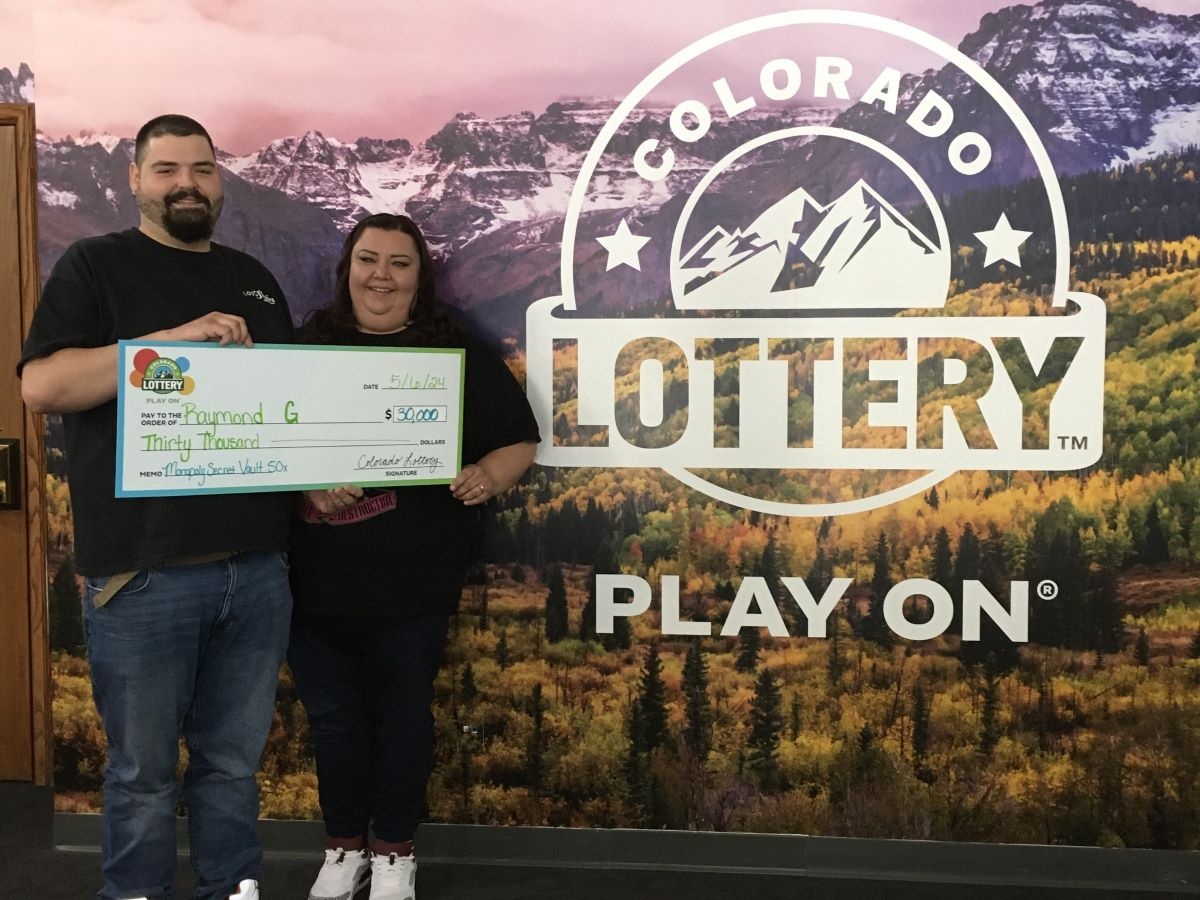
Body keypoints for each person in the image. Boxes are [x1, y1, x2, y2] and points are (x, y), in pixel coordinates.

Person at [19, 114, 294, 900]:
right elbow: (41, 387)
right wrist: (169, 343)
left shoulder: (253, 278)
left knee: (233, 766)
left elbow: (280, 404)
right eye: (167, 169)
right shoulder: (94, 267)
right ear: (135, 180)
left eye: (202, 169)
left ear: (221, 180)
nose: (186, 184)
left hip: (256, 569)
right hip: (141, 576)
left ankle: (229, 890)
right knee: (142, 775)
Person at [287, 213, 539, 900]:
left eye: (400, 263)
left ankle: (394, 852)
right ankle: (344, 848)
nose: (381, 276)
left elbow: (519, 439)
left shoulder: (453, 354)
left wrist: (488, 475)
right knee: (335, 725)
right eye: (368, 260)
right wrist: (306, 479)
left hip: (413, 587)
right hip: (314, 587)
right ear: (346, 269)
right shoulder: (305, 348)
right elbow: (264, 443)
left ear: (421, 277)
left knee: (403, 720)